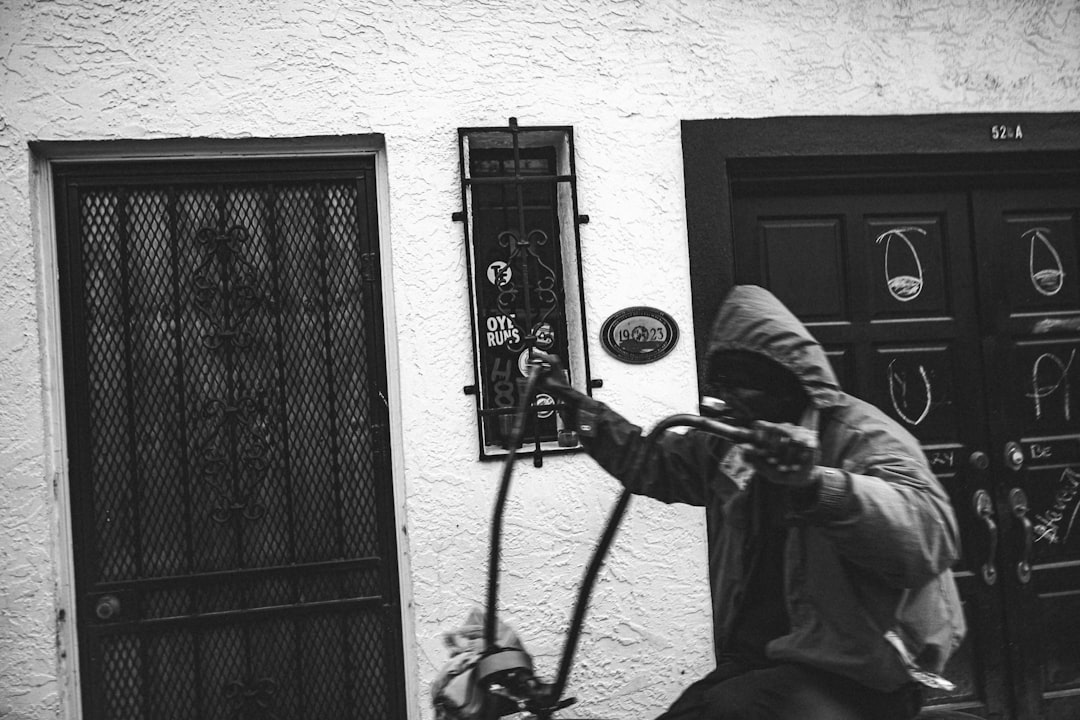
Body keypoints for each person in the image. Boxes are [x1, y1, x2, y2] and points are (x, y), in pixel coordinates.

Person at [535, 285, 965, 720]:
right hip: (763, 658)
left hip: (859, 673)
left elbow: (926, 537)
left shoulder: (862, 438)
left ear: (785, 385)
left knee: (727, 711)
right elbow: (656, 463)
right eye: (722, 386)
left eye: (741, 387)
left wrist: (815, 485)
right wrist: (574, 408)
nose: (728, 401)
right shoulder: (735, 443)